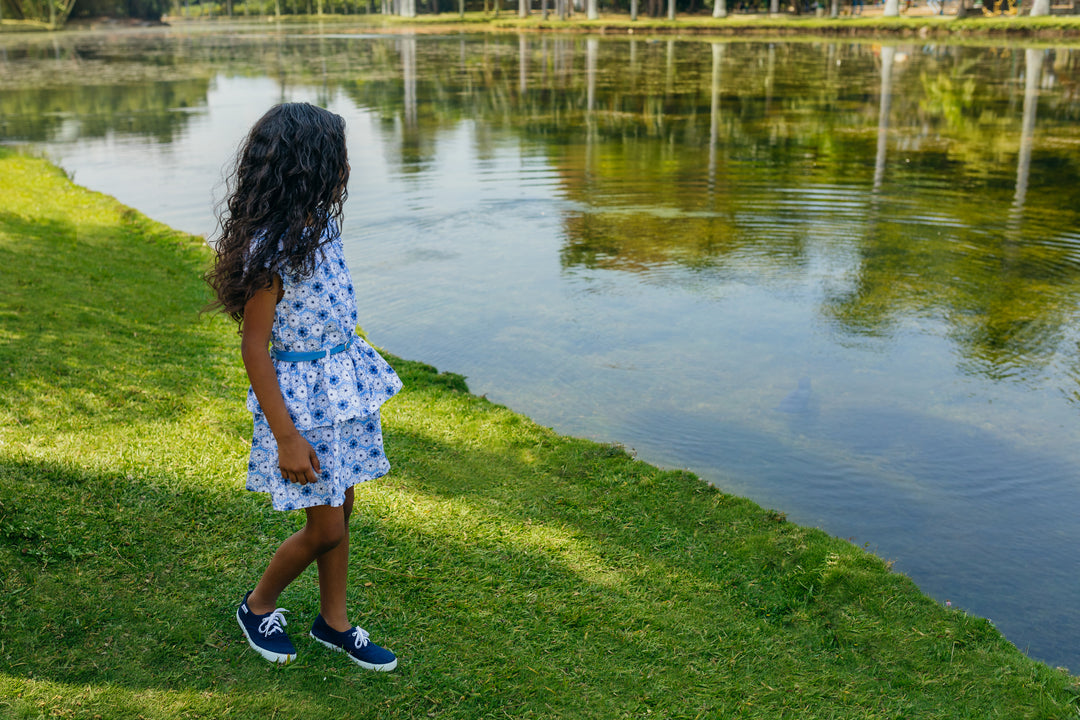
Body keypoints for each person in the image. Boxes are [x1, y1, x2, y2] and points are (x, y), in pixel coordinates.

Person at [205, 102, 403, 671]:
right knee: (324, 525)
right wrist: (287, 437)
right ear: (309, 166)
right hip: (303, 402)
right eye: (337, 159)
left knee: (342, 505)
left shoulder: (317, 227)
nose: (346, 169)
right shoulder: (271, 248)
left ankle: (333, 622)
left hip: (342, 389)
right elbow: (255, 347)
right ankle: (258, 604)